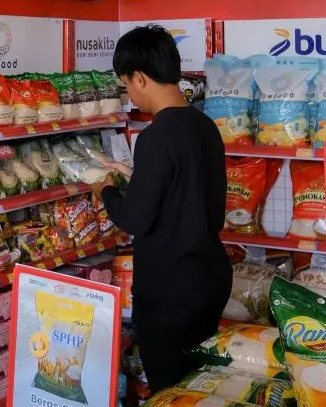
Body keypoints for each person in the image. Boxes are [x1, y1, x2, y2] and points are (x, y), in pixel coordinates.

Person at [94, 25, 231, 391]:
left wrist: (106, 192)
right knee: (200, 387)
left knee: (170, 392)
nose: (129, 93)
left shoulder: (155, 137)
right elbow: (190, 191)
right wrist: (137, 178)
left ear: (140, 78)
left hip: (171, 293)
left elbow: (135, 218)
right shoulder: (205, 126)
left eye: (126, 83)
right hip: (209, 280)